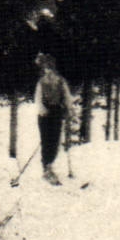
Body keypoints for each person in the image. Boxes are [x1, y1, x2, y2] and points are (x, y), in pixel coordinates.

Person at [33, 53, 75, 184]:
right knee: (46, 140)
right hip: (44, 114)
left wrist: (69, 109)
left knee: (55, 140)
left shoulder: (60, 81)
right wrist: (42, 109)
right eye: (46, 68)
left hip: (56, 112)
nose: (48, 71)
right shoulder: (41, 83)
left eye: (50, 67)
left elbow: (67, 96)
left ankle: (50, 164)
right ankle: (46, 167)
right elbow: (38, 98)